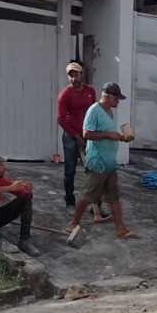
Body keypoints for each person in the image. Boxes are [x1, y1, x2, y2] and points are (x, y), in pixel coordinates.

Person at [68, 83, 134, 241]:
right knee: (88, 196)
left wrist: (120, 137)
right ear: (109, 96)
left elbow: (108, 133)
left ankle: (120, 229)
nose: (118, 102)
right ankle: (72, 224)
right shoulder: (94, 111)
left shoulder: (109, 111)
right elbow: (87, 134)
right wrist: (109, 135)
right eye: (117, 98)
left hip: (109, 163)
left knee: (114, 197)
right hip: (98, 163)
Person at [56, 61, 96, 207]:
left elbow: (94, 112)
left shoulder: (90, 91)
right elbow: (60, 119)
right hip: (71, 137)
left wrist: (92, 133)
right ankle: (69, 200)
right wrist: (76, 136)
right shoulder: (65, 94)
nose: (73, 78)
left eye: (76, 75)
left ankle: (94, 206)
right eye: (70, 76)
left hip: (88, 136)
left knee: (92, 171)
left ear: (81, 74)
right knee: (70, 170)